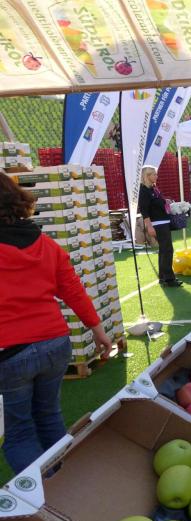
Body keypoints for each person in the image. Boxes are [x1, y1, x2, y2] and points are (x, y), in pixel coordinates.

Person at [0, 172, 112, 474]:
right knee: (49, 417)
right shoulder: (45, 243)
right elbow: (73, 290)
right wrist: (99, 331)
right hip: (55, 343)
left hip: (11, 352)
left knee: (19, 435)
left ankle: (49, 492)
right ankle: (67, 484)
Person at [139, 165, 182, 287]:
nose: (156, 176)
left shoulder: (153, 189)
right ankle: (169, 279)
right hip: (157, 224)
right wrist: (149, 226)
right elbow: (144, 210)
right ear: (147, 176)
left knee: (164, 250)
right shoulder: (144, 190)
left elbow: (157, 203)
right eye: (154, 174)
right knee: (167, 250)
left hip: (163, 222)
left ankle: (163, 277)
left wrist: (165, 201)